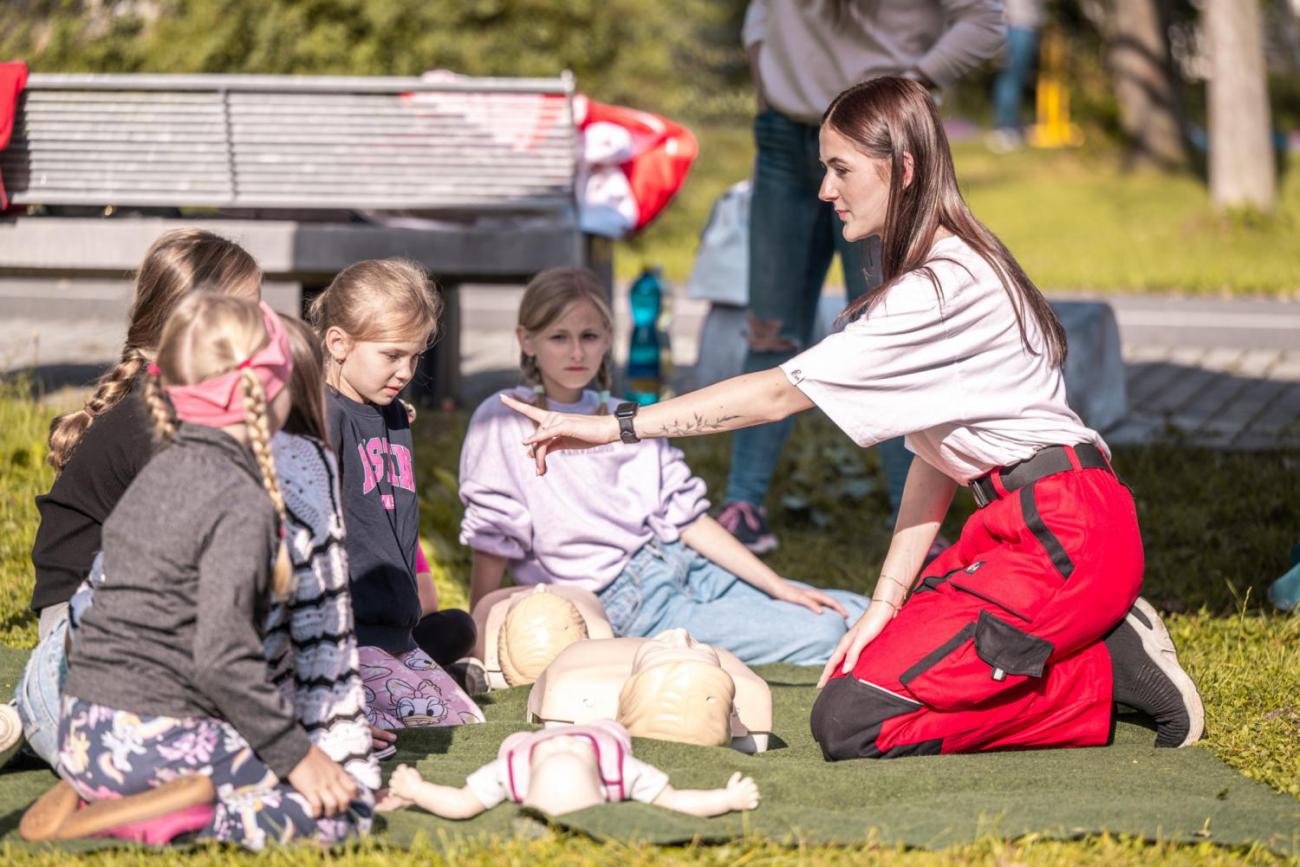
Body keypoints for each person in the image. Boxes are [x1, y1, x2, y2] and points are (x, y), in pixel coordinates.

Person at [501, 77, 1204, 760]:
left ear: (902, 169)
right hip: (1023, 527)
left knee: (852, 721)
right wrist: (883, 602)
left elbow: (776, 395)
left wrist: (615, 425)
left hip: (1065, 534)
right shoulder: (947, 262)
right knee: (851, 675)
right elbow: (935, 459)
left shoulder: (938, 288)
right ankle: (1088, 644)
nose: (823, 190)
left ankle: (1107, 667)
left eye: (840, 168)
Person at [59, 295, 366, 848]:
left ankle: (95, 794)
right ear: (273, 388)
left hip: (81, 732)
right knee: (344, 809)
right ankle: (167, 819)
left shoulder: (159, 473)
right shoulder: (240, 502)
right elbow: (223, 657)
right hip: (154, 738)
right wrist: (301, 758)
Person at [458, 267, 869, 667]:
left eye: (589, 336)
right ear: (526, 341)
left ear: (608, 340)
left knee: (856, 610)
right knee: (828, 631)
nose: (577, 352)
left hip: (685, 562)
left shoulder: (625, 417)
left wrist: (777, 586)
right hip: (626, 602)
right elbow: (494, 533)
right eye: (558, 337)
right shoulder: (503, 418)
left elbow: (686, 518)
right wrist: (478, 635)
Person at [722, 0, 1005, 554]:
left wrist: (915, 85)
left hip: (878, 141)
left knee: (890, 337)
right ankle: (743, 503)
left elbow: (985, 21)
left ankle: (917, 524)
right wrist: (764, 68)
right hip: (784, 133)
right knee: (768, 329)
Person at [7, 229, 262, 767]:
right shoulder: (157, 422)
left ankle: (35, 720)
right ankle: (40, 715)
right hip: (85, 635)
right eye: (242, 314)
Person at [308, 259, 483, 730]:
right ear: (339, 343)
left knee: (462, 692)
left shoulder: (390, 413)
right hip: (345, 632)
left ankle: (420, 670)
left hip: (396, 630)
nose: (405, 370)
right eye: (391, 355)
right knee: (441, 721)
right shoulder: (325, 416)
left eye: (415, 356)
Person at [263, 315, 384, 816]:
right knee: (334, 817)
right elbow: (223, 658)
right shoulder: (302, 469)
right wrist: (326, 740)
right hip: (169, 720)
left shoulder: (183, 460)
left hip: (84, 695)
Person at [380, 720, 760, 819]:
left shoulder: (513, 771)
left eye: (555, 755)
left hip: (522, 740)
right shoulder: (618, 770)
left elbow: (462, 804)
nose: (560, 743)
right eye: (571, 756)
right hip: (600, 731)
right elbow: (675, 801)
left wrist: (418, 792)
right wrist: (726, 799)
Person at [988, 0, 1044, 153]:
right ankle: (1005, 128)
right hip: (1016, 26)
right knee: (1010, 79)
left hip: (1022, 26)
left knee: (1016, 79)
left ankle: (1011, 125)